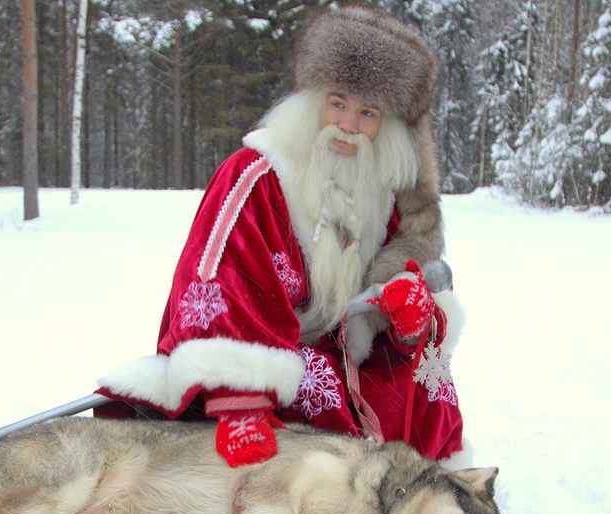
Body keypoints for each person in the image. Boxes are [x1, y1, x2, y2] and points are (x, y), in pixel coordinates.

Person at [96, 7, 466, 467]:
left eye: (367, 112)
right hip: (265, 357)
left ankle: (429, 484)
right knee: (318, 394)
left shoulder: (383, 196)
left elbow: (390, 301)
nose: (348, 125)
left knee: (425, 376)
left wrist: (412, 317)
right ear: (314, 100)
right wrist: (242, 401)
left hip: (338, 350)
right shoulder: (256, 176)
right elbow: (213, 278)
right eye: (338, 103)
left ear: (387, 123)